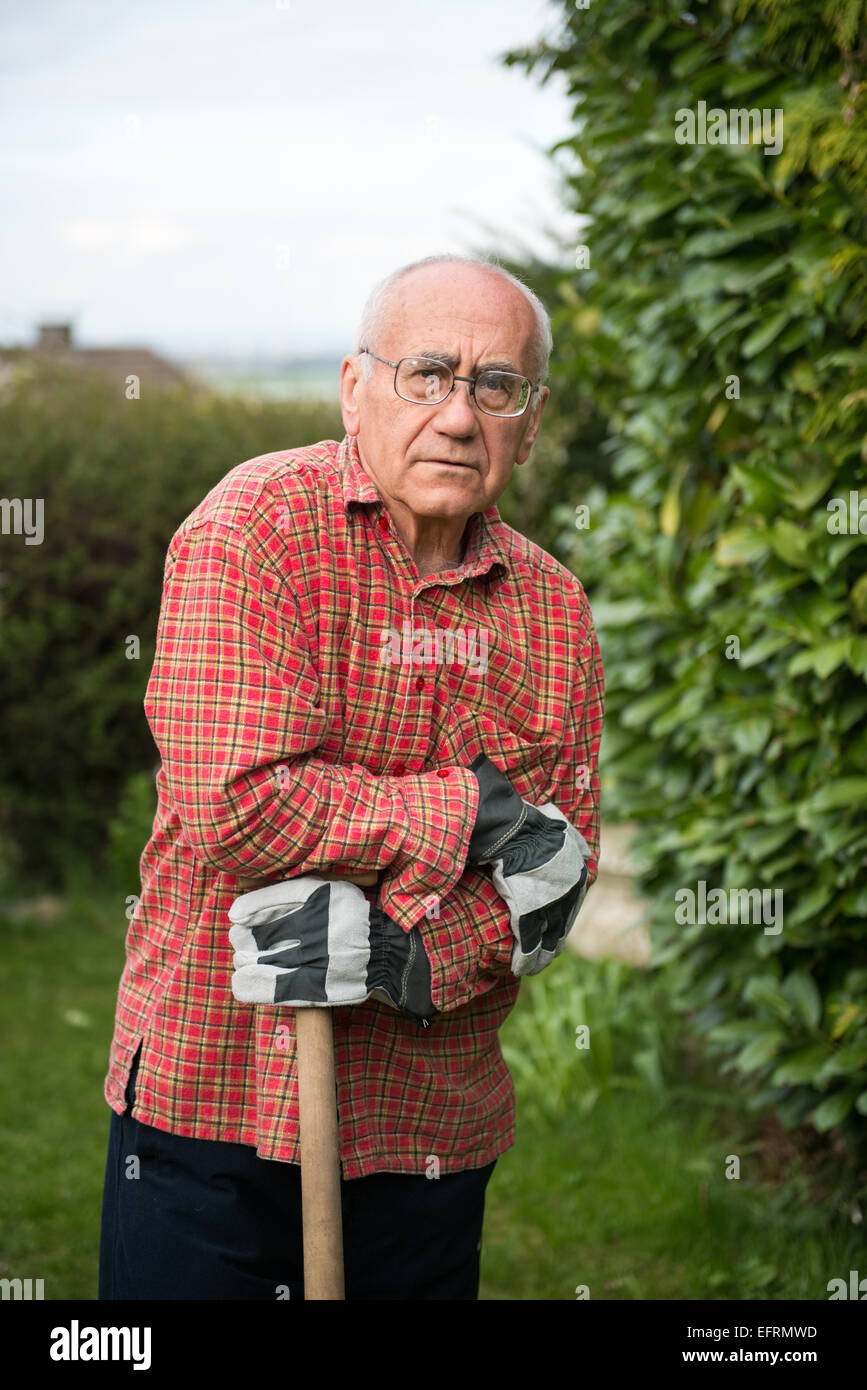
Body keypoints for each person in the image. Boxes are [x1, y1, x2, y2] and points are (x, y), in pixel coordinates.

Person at [98, 253, 605, 1301]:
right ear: (352, 386)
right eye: (427, 373)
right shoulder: (255, 530)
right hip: (209, 1111)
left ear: (531, 419)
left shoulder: (556, 615)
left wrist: (397, 957)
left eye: (495, 386)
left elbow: (556, 876)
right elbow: (240, 808)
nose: (459, 416)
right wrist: (471, 809)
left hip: (430, 1134)